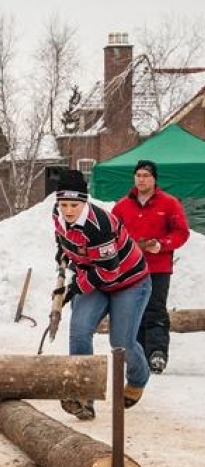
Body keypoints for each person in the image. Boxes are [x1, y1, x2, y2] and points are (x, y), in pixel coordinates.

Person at [53, 170, 151, 421]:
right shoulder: (58, 216)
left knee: (120, 342)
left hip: (128, 281)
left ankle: (139, 377)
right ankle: (84, 393)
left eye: (74, 205)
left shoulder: (99, 225)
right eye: (63, 204)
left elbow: (110, 272)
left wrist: (75, 288)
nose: (68, 211)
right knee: (79, 329)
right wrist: (62, 255)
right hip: (94, 276)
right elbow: (64, 239)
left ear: (84, 201)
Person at [111, 160, 190, 374]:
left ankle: (157, 353)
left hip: (158, 267)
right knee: (132, 311)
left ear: (154, 179)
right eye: (138, 175)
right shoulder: (121, 206)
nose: (141, 179)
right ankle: (137, 354)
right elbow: (111, 236)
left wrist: (162, 245)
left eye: (146, 175)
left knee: (155, 309)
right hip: (130, 269)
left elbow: (182, 232)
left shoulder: (169, 203)